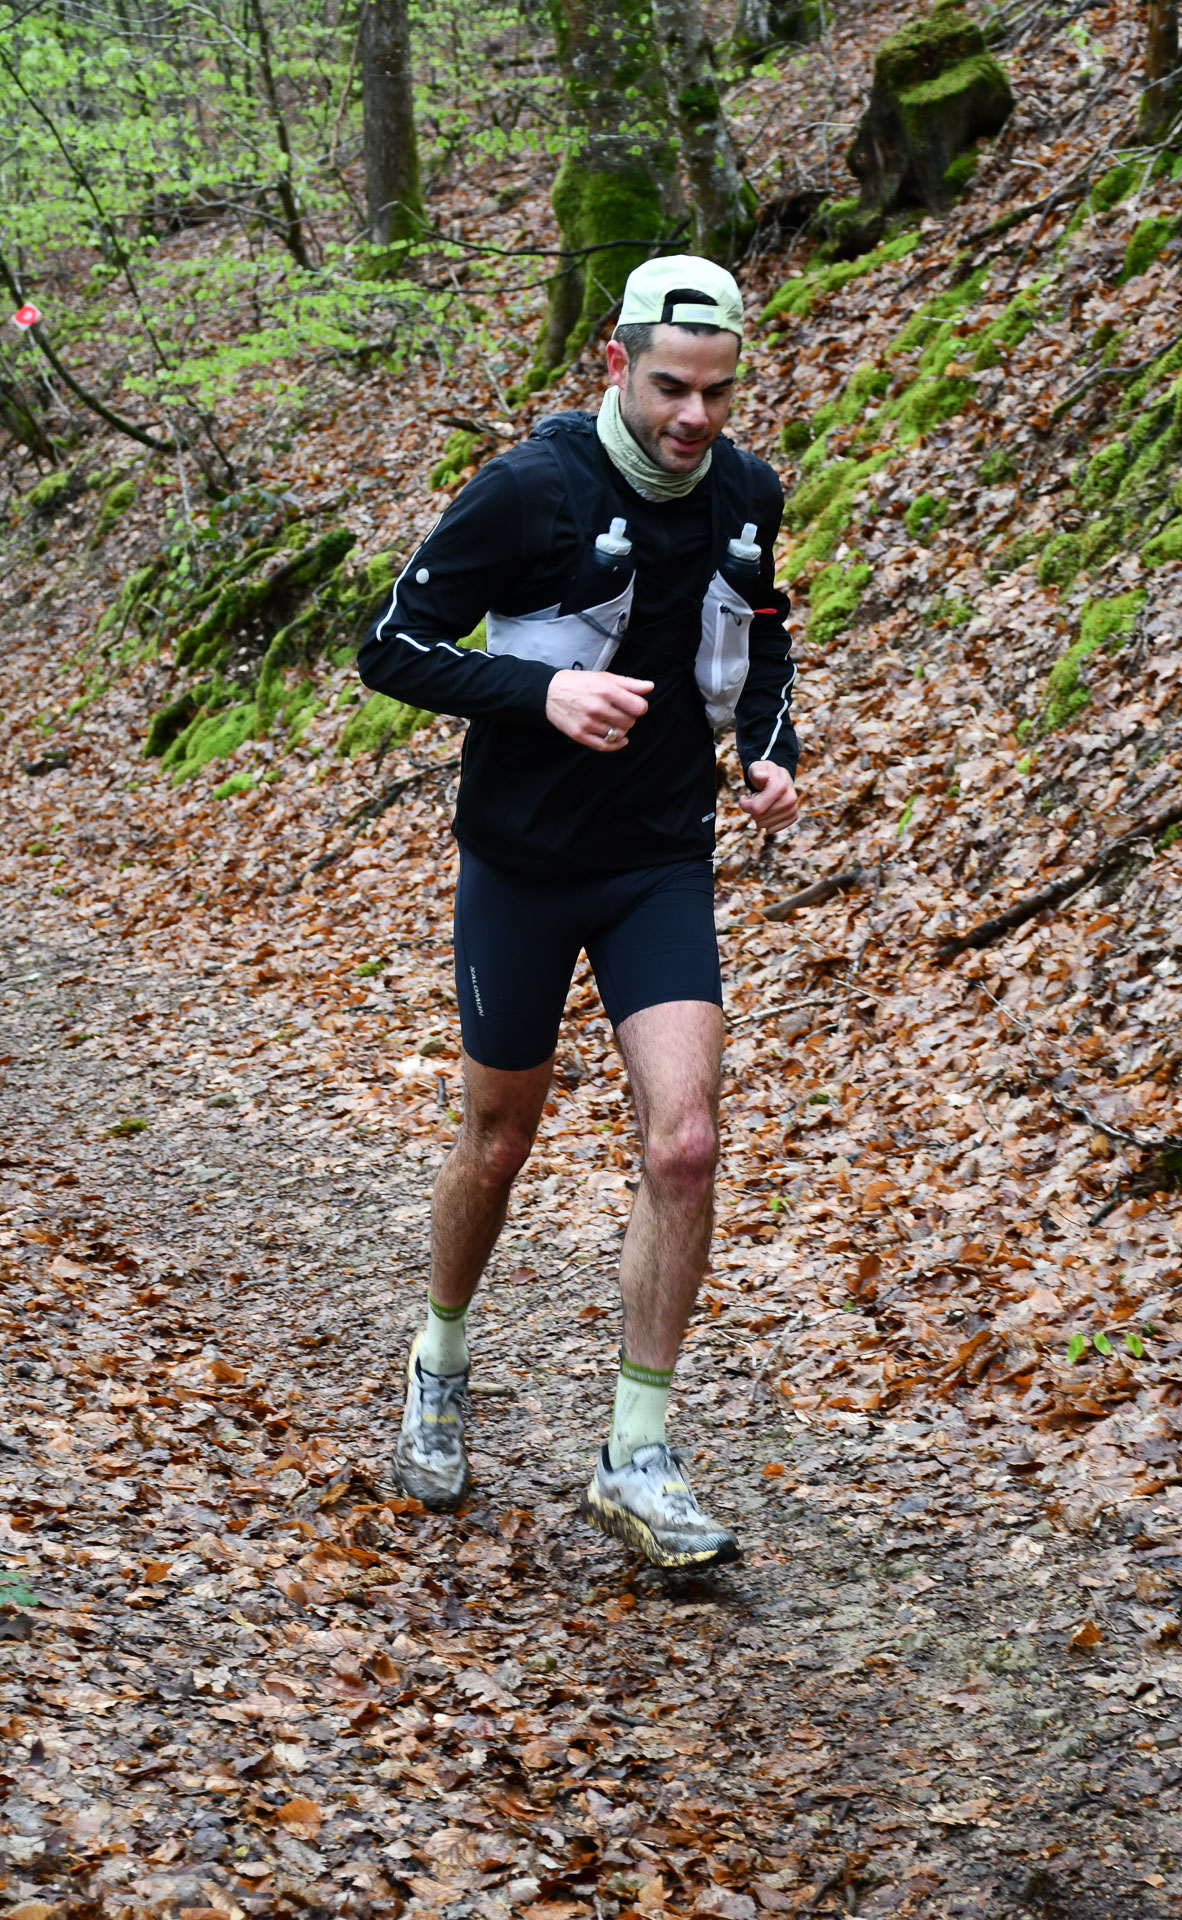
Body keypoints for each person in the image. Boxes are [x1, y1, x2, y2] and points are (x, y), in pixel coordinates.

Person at [357, 256, 799, 1569]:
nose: (695, 417)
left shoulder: (747, 494)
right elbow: (391, 647)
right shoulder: (530, 489)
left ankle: (637, 1454)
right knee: (499, 1142)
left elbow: (764, 637)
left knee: (686, 1143)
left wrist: (769, 748)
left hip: (659, 861)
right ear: (615, 364)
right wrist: (537, 694)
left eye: (718, 391)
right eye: (670, 388)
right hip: (524, 866)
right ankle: (440, 1356)